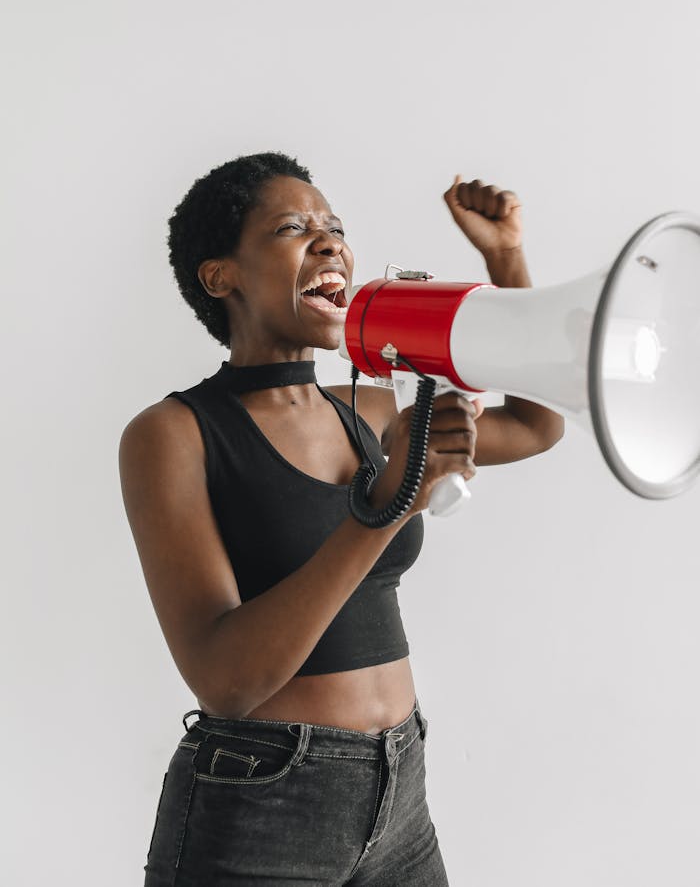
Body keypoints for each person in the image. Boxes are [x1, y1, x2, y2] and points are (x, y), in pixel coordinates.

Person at [119, 151, 564, 886]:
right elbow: (225, 682)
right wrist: (387, 506)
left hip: (402, 792)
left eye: (336, 227)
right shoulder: (174, 434)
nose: (331, 242)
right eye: (294, 228)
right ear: (219, 276)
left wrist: (507, 257)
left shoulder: (373, 410)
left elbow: (539, 423)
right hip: (260, 805)